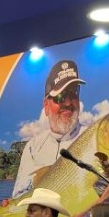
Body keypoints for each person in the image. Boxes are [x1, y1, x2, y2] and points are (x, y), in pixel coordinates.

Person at [13, 60, 85, 197]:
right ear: (46, 106)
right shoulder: (33, 147)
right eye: (60, 96)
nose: (68, 102)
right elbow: (20, 195)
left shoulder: (93, 137)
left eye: (73, 93)